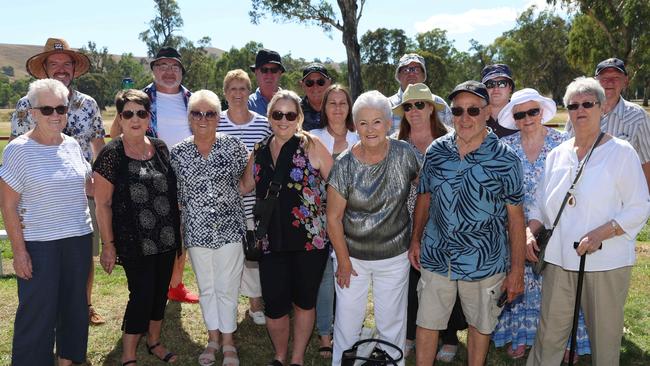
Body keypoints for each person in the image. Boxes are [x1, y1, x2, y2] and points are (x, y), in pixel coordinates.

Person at [526, 77, 650, 366]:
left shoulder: (621, 152)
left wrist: (600, 234)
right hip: (558, 260)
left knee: (604, 340)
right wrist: (531, 232)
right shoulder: (557, 154)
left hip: (606, 262)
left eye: (587, 104)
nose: (580, 110)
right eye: (573, 105)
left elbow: (639, 206)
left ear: (601, 108)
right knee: (549, 336)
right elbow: (541, 206)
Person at [409, 80, 526, 366]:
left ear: (487, 113)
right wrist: (416, 239)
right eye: (458, 111)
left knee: (479, 325)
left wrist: (517, 271)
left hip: (484, 260)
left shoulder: (506, 159)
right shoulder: (437, 151)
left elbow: (515, 219)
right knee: (426, 323)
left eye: (473, 110)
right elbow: (424, 195)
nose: (464, 118)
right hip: (437, 255)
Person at [11, 37, 107, 325]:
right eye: (54, 63)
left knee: (84, 253)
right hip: (39, 194)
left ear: (75, 69)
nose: (61, 68)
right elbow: (17, 150)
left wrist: (100, 184)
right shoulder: (27, 104)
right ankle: (46, 309)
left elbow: (98, 145)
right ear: (44, 69)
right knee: (43, 256)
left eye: (67, 63)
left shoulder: (87, 104)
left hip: (80, 190)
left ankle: (85, 306)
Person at [491, 88, 591, 362]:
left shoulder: (562, 143)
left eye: (533, 111)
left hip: (557, 226)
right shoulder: (504, 148)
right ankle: (522, 336)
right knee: (521, 280)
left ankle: (568, 340)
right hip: (513, 227)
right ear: (513, 117)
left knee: (559, 287)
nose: (527, 118)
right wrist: (520, 231)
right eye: (520, 114)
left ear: (542, 112)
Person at [2, 79, 93, 365]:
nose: (56, 115)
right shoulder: (17, 150)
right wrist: (19, 252)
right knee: (37, 313)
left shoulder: (72, 145)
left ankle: (68, 361)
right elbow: (8, 204)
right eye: (47, 109)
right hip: (40, 245)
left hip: (78, 239)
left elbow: (87, 186)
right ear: (32, 113)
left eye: (61, 108)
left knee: (75, 308)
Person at [327, 90, 420, 366]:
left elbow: (424, 187)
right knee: (347, 320)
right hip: (351, 256)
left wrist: (418, 228)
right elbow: (333, 218)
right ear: (355, 125)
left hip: (394, 254)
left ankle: (393, 362)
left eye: (377, 121)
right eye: (363, 123)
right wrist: (343, 261)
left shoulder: (404, 153)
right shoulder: (344, 164)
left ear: (389, 123)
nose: (370, 129)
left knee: (391, 320)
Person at [240, 90, 333, 366]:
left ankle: (297, 356)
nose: (283, 120)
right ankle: (280, 355)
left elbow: (338, 183)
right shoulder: (258, 150)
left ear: (299, 118)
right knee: (275, 304)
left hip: (309, 241)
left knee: (304, 302)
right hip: (271, 241)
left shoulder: (311, 145)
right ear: (269, 117)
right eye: (277, 114)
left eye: (290, 114)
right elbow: (244, 185)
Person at [94, 89, 181, 365]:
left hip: (166, 238)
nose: (135, 119)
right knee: (141, 296)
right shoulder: (111, 154)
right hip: (133, 241)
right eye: (128, 113)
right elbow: (103, 205)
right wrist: (108, 246)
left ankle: (153, 341)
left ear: (148, 116)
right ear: (120, 118)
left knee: (159, 294)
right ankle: (129, 353)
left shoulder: (161, 147)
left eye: (141, 113)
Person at [170, 90, 249, 366]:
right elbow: (178, 197)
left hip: (230, 227)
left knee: (227, 287)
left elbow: (248, 179)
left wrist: (236, 192)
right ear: (189, 117)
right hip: (197, 231)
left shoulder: (234, 147)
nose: (203, 118)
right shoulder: (178, 153)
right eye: (197, 113)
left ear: (218, 117)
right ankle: (212, 338)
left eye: (210, 113)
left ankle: (228, 342)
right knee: (207, 287)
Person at [390, 83, 459, 360]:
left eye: (420, 104)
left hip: (446, 220)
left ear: (432, 108)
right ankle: (410, 334)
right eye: (408, 106)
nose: (414, 111)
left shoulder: (452, 139)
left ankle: (450, 335)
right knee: (411, 279)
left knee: (448, 277)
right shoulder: (395, 143)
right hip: (406, 221)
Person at [136, 46, 198, 304]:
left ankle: (175, 285)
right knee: (151, 230)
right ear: (153, 70)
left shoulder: (193, 99)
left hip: (187, 174)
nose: (169, 72)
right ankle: (152, 286)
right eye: (162, 66)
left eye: (174, 66)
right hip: (148, 173)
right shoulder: (140, 99)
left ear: (182, 71)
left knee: (180, 232)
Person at [219, 69, 272, 327]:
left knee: (253, 252)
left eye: (242, 89)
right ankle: (225, 305)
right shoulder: (215, 121)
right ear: (225, 93)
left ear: (249, 92)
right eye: (233, 89)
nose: (238, 94)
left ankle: (255, 304)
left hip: (255, 201)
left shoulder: (263, 123)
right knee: (227, 257)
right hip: (223, 202)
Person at [309, 84, 359, 359]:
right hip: (318, 218)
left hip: (353, 218)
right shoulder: (312, 138)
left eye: (342, 103)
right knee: (325, 277)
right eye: (332, 103)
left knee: (350, 273)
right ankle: (325, 334)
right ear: (324, 108)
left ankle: (349, 327)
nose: (338, 108)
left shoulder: (359, 137)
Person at [566, 57, 650, 188]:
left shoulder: (638, 117)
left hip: (620, 197)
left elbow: (647, 163)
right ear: (596, 81)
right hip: (580, 194)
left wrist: (643, 202)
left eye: (616, 78)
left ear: (625, 81)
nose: (609, 82)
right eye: (604, 78)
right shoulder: (578, 112)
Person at [388, 53, 452, 133]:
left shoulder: (440, 104)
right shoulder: (386, 106)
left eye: (416, 69)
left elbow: (453, 140)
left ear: (423, 75)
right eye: (405, 70)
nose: (411, 73)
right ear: (398, 76)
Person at [481, 63, 518, 138]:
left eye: (502, 84)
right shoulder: (474, 116)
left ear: (510, 87)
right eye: (490, 84)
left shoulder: (525, 114)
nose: (496, 89)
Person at [248, 48, 285, 116]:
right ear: (256, 72)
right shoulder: (247, 104)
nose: (269, 74)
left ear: (280, 73)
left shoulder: (296, 103)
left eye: (274, 70)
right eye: (264, 70)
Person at [299, 63, 333, 131]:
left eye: (320, 82)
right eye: (309, 83)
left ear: (329, 83)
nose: (315, 87)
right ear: (302, 85)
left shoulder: (339, 108)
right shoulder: (295, 112)